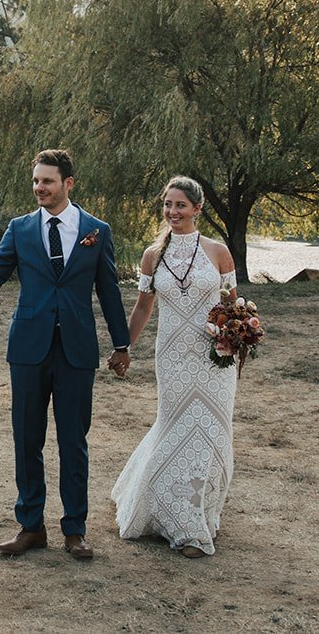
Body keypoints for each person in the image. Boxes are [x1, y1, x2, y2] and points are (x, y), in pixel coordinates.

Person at [0, 149, 131, 561]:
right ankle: (30, 526)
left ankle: (75, 530)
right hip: (28, 348)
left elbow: (109, 292)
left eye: (48, 181)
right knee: (27, 438)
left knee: (74, 441)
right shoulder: (19, 229)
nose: (40, 188)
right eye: (36, 181)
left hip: (77, 350)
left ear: (68, 184)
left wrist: (121, 344)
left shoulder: (97, 231)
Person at [110, 175, 239, 557]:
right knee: (176, 427)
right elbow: (143, 308)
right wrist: (123, 347)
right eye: (168, 205)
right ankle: (179, 522)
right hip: (173, 357)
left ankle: (196, 516)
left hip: (214, 358)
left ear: (197, 209)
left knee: (210, 433)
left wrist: (236, 340)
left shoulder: (218, 252)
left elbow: (234, 306)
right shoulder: (153, 255)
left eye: (180, 205)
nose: (173, 212)